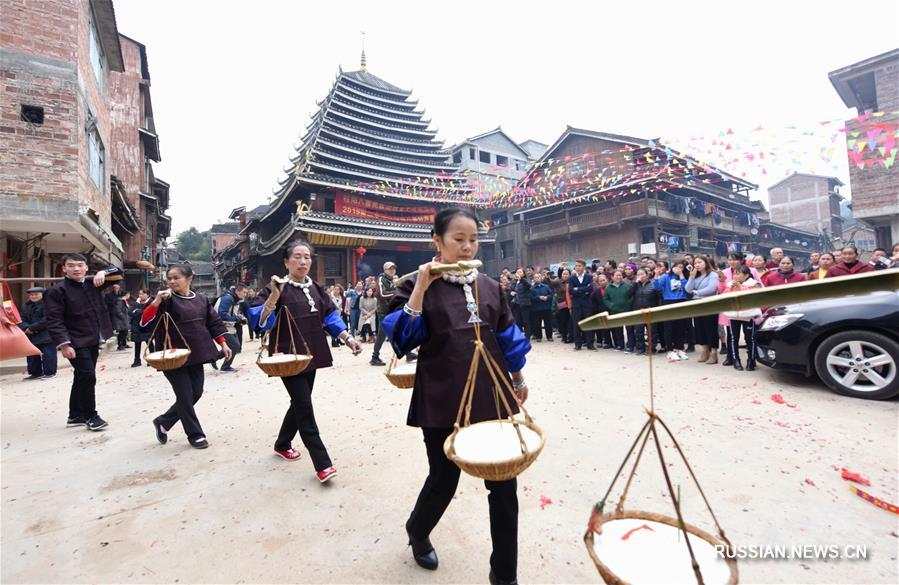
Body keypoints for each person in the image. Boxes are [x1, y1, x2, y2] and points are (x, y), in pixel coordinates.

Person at [382, 207, 531, 584]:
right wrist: (421, 285)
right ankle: (417, 531)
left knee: (504, 485)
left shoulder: (491, 286)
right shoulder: (413, 284)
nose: (467, 248)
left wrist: (516, 378)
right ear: (437, 241)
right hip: (442, 396)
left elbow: (507, 337)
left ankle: (505, 576)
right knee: (444, 478)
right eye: (458, 240)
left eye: (473, 240)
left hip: (491, 394)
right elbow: (402, 340)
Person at [250, 239, 363, 481]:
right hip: (287, 356)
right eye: (297, 257)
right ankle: (322, 463)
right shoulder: (275, 287)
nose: (303, 261)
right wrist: (273, 298)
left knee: (300, 401)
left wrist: (348, 338)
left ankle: (282, 443)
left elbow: (331, 317)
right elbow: (259, 322)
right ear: (286, 261)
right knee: (304, 406)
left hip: (312, 352)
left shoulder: (317, 288)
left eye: (307, 257)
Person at [141, 265, 231, 449]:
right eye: (169, 278)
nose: (172, 282)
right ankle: (195, 434)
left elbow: (213, 322)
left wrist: (222, 342)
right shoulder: (165, 299)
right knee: (184, 395)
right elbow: (144, 321)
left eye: (176, 278)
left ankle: (164, 421)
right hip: (172, 356)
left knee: (195, 393)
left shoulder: (202, 299)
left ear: (189, 278)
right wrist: (156, 301)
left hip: (195, 354)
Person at [44, 253, 120, 430]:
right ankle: (91, 416)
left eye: (80, 265)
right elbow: (54, 320)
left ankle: (75, 415)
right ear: (64, 269)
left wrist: (104, 272)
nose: (76, 268)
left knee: (81, 376)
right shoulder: (56, 291)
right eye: (71, 265)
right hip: (74, 340)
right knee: (87, 376)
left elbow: (119, 272)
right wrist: (64, 344)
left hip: (93, 338)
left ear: (86, 268)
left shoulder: (93, 284)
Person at [371, 262, 418, 366]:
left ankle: (408, 353)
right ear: (385, 270)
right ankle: (374, 357)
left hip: (393, 310)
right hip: (384, 311)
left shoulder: (393, 280)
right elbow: (381, 294)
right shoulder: (381, 279)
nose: (392, 270)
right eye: (389, 269)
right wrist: (398, 292)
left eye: (393, 269)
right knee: (382, 335)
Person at [722, 265, 761, 371]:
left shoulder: (754, 284)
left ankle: (751, 360)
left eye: (738, 273)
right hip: (734, 315)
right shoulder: (730, 283)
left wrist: (741, 286)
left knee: (750, 339)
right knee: (734, 338)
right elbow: (724, 297)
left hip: (748, 315)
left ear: (746, 275)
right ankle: (736, 360)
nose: (735, 276)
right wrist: (730, 288)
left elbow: (755, 297)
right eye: (734, 273)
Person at [685, 255, 721, 364]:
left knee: (710, 328)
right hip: (697, 304)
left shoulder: (713, 275)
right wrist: (691, 277)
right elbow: (687, 289)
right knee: (699, 328)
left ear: (706, 263)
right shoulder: (695, 276)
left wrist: (697, 292)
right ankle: (705, 350)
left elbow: (712, 288)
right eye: (695, 263)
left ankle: (714, 353)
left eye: (700, 262)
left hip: (709, 304)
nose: (697, 265)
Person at [18, 286, 57, 380]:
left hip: (46, 334)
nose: (34, 296)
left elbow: (47, 319)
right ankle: (35, 373)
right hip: (30, 334)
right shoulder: (26, 306)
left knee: (48, 354)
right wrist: (26, 327)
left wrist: (31, 328)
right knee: (32, 355)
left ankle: (50, 372)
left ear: (43, 295)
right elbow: (20, 319)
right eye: (31, 295)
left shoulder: (49, 304)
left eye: (36, 294)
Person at [654, 261, 689, 361]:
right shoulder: (665, 277)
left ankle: (679, 348)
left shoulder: (683, 277)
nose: (678, 268)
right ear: (672, 267)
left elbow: (687, 288)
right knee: (669, 327)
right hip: (668, 301)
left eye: (681, 267)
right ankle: (670, 350)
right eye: (677, 266)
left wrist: (681, 275)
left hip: (681, 301)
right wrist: (656, 275)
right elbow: (657, 287)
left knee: (681, 326)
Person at [215, 284, 246, 372]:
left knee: (234, 346)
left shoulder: (234, 299)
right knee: (235, 345)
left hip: (228, 326)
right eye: (244, 292)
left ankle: (213, 358)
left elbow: (232, 313)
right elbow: (221, 314)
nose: (245, 294)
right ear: (237, 291)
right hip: (221, 326)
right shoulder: (228, 298)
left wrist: (240, 318)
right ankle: (225, 367)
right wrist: (236, 319)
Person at [602, 270, 633, 351]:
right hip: (615, 312)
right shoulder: (608, 288)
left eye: (620, 275)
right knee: (618, 330)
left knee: (629, 329)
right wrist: (611, 306)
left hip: (627, 312)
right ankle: (620, 345)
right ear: (612, 277)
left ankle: (630, 346)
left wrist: (628, 305)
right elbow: (605, 299)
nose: (619, 277)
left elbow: (631, 297)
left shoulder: (626, 286)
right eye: (617, 275)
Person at [630, 268, 660, 355]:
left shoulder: (653, 285)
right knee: (639, 331)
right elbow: (629, 294)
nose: (640, 276)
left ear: (647, 275)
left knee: (652, 331)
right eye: (638, 274)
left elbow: (658, 297)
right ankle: (640, 348)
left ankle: (652, 348)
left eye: (642, 274)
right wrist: (635, 283)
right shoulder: (635, 285)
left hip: (650, 311)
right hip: (638, 311)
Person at [569, 259, 595, 351]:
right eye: (576, 266)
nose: (578, 268)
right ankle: (577, 344)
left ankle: (590, 344)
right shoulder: (572, 278)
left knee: (588, 324)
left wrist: (578, 289)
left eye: (580, 266)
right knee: (576, 325)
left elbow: (591, 288)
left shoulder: (589, 277)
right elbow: (571, 290)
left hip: (587, 305)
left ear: (584, 267)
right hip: (576, 305)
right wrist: (584, 290)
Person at [129, 289, 152, 367]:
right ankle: (137, 361)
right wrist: (138, 309)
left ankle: (152, 360)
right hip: (136, 326)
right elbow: (130, 312)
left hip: (146, 326)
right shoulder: (136, 302)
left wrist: (137, 311)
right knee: (137, 343)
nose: (140, 296)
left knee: (149, 343)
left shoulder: (150, 302)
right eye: (139, 294)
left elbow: (146, 312)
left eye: (142, 294)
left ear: (147, 295)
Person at [528, 272, 553, 342]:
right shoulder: (531, 288)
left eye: (538, 277)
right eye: (535, 277)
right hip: (536, 309)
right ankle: (538, 337)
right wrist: (539, 298)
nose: (537, 278)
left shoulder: (546, 286)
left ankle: (549, 336)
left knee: (548, 323)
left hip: (546, 308)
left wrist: (547, 297)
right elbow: (531, 298)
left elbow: (551, 294)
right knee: (537, 323)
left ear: (541, 278)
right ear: (533, 279)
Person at [549, 269, 572, 343]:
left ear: (570, 275)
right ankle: (564, 336)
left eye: (567, 274)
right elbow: (551, 282)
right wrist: (548, 277)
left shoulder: (572, 282)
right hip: (562, 304)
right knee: (563, 321)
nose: (565, 275)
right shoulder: (558, 281)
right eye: (563, 274)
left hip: (571, 304)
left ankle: (571, 336)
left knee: (570, 321)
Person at [590, 273, 612, 349]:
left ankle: (612, 343)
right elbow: (593, 301)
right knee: (601, 328)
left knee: (611, 328)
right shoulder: (596, 291)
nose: (602, 282)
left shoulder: (611, 289)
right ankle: (602, 341)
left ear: (607, 280)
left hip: (611, 311)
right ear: (598, 282)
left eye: (603, 280)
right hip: (600, 311)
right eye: (600, 281)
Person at [515, 267, 533, 340]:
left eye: (520, 272)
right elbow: (512, 288)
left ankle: (527, 336)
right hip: (517, 304)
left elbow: (529, 286)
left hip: (525, 304)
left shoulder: (525, 280)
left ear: (523, 274)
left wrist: (521, 279)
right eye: (517, 272)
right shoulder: (515, 281)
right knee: (518, 321)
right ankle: (519, 336)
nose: (519, 273)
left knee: (526, 321)